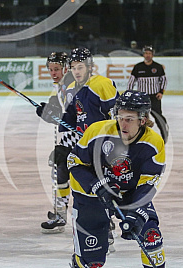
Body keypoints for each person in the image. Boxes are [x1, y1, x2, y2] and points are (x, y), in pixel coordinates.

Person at [67, 90, 180, 268]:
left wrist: (135, 214)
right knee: (95, 261)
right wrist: (97, 185)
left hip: (128, 193)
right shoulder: (97, 131)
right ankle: (80, 264)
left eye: (129, 119)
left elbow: (148, 184)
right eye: (120, 117)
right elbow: (74, 162)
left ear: (144, 119)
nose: (123, 123)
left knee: (149, 232)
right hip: (89, 194)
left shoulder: (154, 142)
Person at [59, 47, 119, 251]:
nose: (76, 71)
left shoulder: (102, 84)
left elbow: (116, 114)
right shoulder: (71, 89)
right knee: (86, 186)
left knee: (104, 185)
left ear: (90, 67)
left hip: (104, 146)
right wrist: (49, 114)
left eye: (80, 67)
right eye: (73, 67)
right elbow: (71, 119)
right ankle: (92, 227)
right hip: (83, 146)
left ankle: (108, 226)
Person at [36, 51, 75, 233]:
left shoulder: (70, 84)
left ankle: (105, 222)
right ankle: (60, 213)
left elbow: (72, 113)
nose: (53, 73)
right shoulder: (62, 84)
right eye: (50, 69)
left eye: (57, 69)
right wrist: (50, 109)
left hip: (76, 140)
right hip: (67, 139)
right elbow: (61, 109)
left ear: (65, 68)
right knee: (58, 174)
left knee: (78, 178)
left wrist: (54, 115)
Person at [127, 45, 169, 141]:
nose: (148, 55)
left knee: (158, 116)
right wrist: (130, 94)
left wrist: (161, 92)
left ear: (152, 55)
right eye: (146, 53)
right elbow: (131, 81)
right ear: (143, 54)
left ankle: (164, 135)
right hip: (142, 97)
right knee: (142, 117)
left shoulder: (158, 67)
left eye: (149, 53)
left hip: (154, 97)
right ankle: (142, 137)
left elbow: (164, 80)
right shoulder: (138, 67)